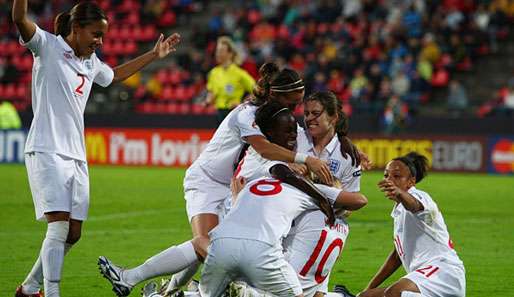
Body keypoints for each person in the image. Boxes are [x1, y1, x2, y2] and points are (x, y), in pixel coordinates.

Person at [98, 63, 336, 297]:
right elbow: (263, 148)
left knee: (213, 245)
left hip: (235, 187)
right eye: (292, 102)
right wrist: (304, 160)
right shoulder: (247, 113)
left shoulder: (278, 119)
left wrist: (344, 144)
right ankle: (132, 278)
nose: (295, 108)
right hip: (207, 180)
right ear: (275, 94)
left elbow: (306, 142)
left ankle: (163, 289)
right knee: (207, 244)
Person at [12, 1, 180, 297]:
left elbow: (114, 76)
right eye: (95, 34)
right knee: (58, 227)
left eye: (102, 35)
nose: (99, 41)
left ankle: (29, 287)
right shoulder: (46, 47)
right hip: (47, 148)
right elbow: (19, 17)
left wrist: (154, 55)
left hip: (76, 154)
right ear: (76, 29)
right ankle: (51, 293)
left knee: (73, 233)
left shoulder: (90, 63)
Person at [198, 102, 367, 297]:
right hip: (291, 216)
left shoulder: (345, 153)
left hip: (299, 222)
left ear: (333, 118)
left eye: (316, 113)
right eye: (307, 113)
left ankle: (240, 292)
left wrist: (329, 200)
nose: (309, 118)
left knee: (214, 250)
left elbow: (353, 202)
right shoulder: (300, 137)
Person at [358, 152, 465, 297]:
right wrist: (368, 289)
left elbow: (415, 206)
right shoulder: (399, 211)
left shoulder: (420, 196)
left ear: (411, 182)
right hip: (425, 279)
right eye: (386, 175)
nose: (389, 180)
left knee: (395, 293)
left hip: (444, 272)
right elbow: (396, 257)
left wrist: (400, 194)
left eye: (396, 176)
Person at [204, 36, 256, 123]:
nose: (217, 54)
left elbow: (255, 90)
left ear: (230, 53)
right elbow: (212, 92)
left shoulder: (239, 73)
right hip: (219, 113)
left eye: (221, 51)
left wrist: (243, 103)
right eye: (217, 51)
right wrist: (207, 101)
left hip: (234, 113)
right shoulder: (214, 72)